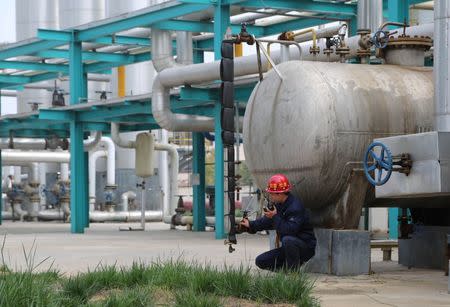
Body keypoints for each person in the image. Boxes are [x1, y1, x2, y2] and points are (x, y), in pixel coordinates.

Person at [240, 174, 316, 271]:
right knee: (261, 261)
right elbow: (266, 221)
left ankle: (293, 274)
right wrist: (250, 225)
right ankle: (285, 271)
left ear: (280, 194)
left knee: (288, 240)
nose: (270, 196)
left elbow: (290, 230)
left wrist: (275, 217)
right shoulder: (279, 204)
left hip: (304, 248)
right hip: (288, 248)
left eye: (271, 194)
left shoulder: (295, 207)